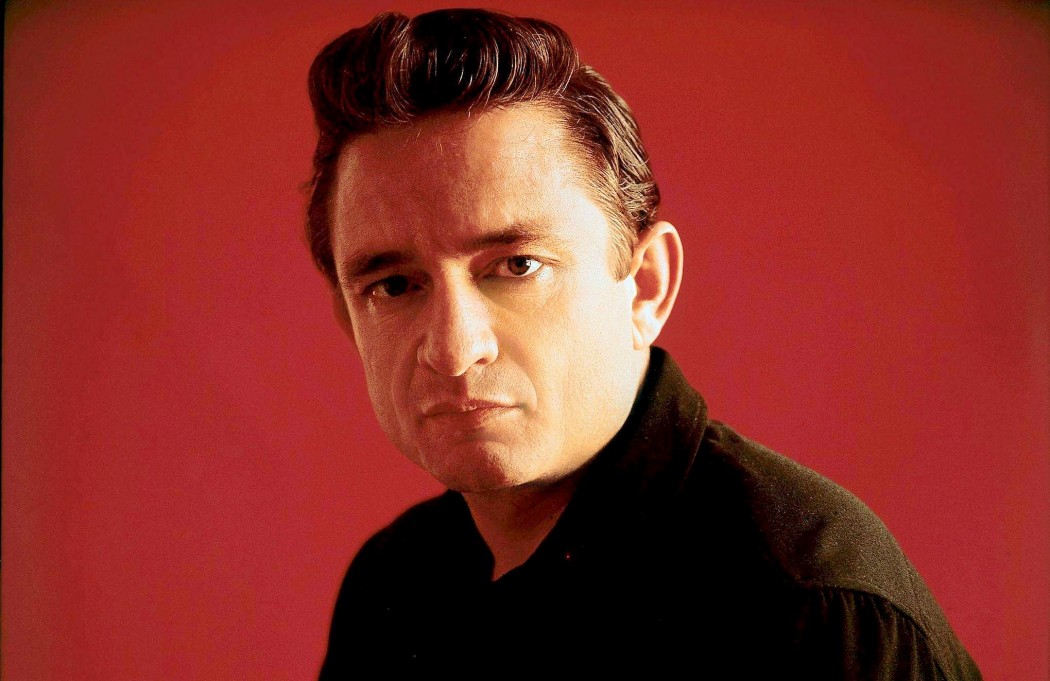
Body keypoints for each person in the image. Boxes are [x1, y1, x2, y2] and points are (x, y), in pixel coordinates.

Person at [305, 8, 982, 679]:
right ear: (349, 318)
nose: (455, 349)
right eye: (395, 286)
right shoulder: (389, 587)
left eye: (517, 266)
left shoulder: (807, 606)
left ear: (646, 286)